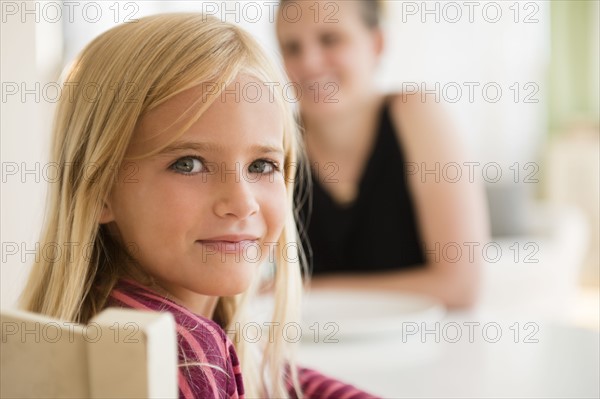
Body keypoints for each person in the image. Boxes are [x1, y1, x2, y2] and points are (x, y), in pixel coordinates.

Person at [20, 14, 377, 398]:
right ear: (101, 189)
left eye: (262, 165)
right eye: (188, 164)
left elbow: (278, 378)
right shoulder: (187, 354)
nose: (241, 204)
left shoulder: (130, 325)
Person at [276, 0, 490, 308]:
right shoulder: (277, 140)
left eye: (330, 39)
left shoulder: (417, 115)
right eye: (292, 48)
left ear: (377, 44)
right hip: (318, 349)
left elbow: (461, 287)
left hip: (428, 347)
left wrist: (309, 292)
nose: (308, 62)